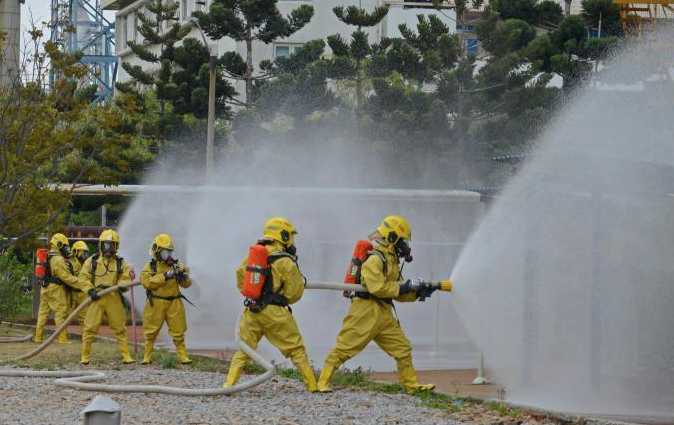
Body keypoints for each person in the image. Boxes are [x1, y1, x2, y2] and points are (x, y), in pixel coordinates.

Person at [317, 215, 436, 394]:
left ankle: (411, 386)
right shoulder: (375, 259)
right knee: (344, 348)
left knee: (403, 348)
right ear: (391, 238)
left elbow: (397, 292)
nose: (405, 245)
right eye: (402, 240)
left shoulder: (392, 261)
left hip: (384, 314)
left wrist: (418, 292)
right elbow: (378, 288)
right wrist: (404, 288)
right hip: (365, 311)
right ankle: (322, 382)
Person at [223, 217, 318, 392]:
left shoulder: (255, 256)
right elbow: (294, 293)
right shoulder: (285, 261)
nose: (292, 241)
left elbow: (240, 277)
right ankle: (313, 386)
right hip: (276, 314)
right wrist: (282, 297)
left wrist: (255, 295)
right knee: (296, 349)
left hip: (252, 311)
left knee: (245, 349)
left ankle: (229, 385)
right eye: (290, 236)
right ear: (282, 236)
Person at [79, 229, 134, 365]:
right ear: (101, 245)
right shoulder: (92, 261)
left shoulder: (121, 263)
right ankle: (85, 357)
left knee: (120, 327)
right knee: (89, 328)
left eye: (112, 245)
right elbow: (83, 278)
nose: (108, 249)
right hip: (96, 297)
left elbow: (125, 277)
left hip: (113, 296)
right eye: (106, 245)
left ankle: (126, 356)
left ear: (116, 246)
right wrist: (90, 290)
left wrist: (122, 285)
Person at [140, 233, 193, 365]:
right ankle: (147, 356)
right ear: (157, 251)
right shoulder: (150, 267)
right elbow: (146, 282)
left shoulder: (176, 265)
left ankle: (183, 356)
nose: (168, 255)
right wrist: (165, 276)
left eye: (170, 252)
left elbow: (186, 285)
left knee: (178, 330)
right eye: (165, 252)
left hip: (174, 302)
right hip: (156, 302)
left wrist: (184, 277)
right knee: (151, 331)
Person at [34, 234, 91, 344]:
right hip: (56, 289)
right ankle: (62, 340)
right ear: (59, 245)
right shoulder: (59, 260)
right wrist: (82, 284)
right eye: (65, 246)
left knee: (42, 314)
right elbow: (66, 278)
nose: (67, 249)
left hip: (44, 288)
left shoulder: (47, 256)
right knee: (60, 314)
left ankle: (38, 338)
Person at [66, 241, 90, 328]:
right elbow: (67, 278)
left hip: (83, 294)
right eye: (83, 253)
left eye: (86, 253)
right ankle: (62, 338)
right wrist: (82, 283)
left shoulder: (86, 264)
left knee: (85, 318)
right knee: (65, 318)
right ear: (76, 251)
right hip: (71, 294)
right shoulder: (68, 263)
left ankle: (86, 340)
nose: (85, 256)